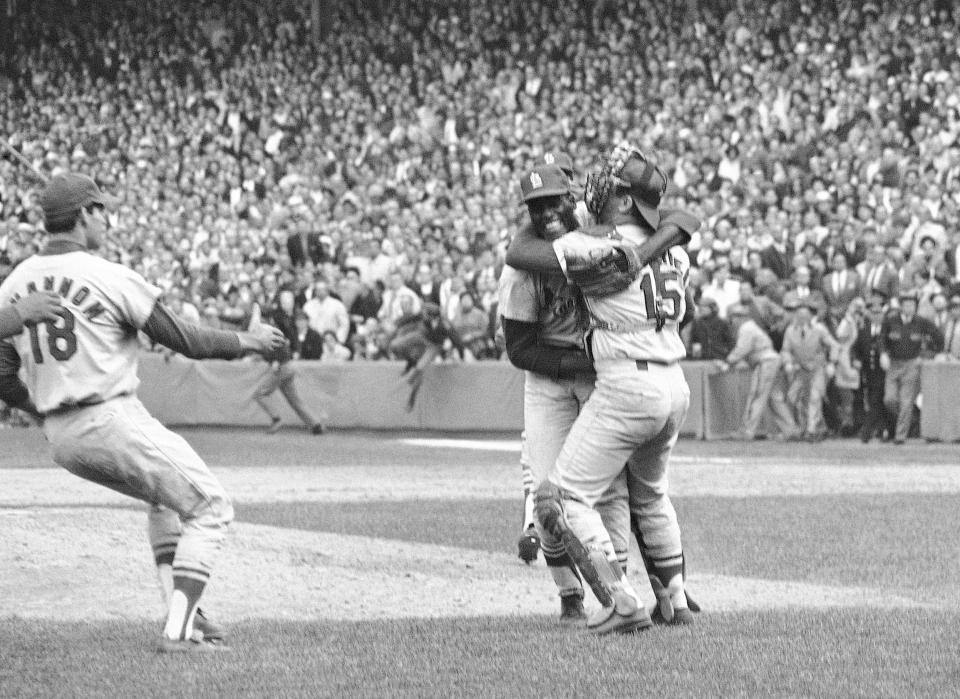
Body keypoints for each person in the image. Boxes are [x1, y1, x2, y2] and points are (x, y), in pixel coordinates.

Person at [0, 173, 287, 652]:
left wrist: (44, 412)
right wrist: (250, 341)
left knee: (165, 501)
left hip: (63, 439)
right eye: (102, 209)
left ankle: (186, 614)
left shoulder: (14, 284)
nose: (107, 219)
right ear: (85, 214)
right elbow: (186, 340)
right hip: (109, 416)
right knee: (212, 507)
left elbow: (3, 377)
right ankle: (179, 633)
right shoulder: (109, 275)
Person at [522, 144, 700, 633]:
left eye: (609, 184)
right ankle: (675, 601)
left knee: (563, 499)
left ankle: (621, 598)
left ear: (624, 201)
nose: (595, 187)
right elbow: (685, 217)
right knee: (651, 497)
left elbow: (521, 252)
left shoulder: (591, 245)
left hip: (627, 381)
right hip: (673, 380)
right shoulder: (675, 248)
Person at [498, 163, 630, 621]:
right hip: (552, 379)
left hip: (600, 377)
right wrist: (580, 362)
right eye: (537, 207)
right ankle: (570, 595)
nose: (547, 212)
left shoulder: (598, 242)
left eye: (555, 201)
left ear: (573, 199)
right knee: (545, 494)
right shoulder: (521, 269)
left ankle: (622, 590)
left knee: (611, 490)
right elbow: (519, 348)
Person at [716, 304, 789, 441]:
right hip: (770, 361)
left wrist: (728, 361)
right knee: (775, 398)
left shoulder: (746, 328)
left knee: (756, 395)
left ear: (738, 317)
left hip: (765, 362)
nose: (731, 321)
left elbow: (742, 349)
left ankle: (747, 431)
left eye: (732, 318)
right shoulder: (750, 327)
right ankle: (790, 429)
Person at [880, 290, 943, 444]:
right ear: (901, 307)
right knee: (890, 399)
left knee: (906, 401)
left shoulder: (921, 322)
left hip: (912, 364)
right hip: (894, 363)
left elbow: (938, 336)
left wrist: (929, 354)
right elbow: (882, 339)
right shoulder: (890, 321)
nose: (910, 308)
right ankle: (909, 419)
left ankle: (900, 436)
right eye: (907, 305)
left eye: (912, 305)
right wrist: (883, 354)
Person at [252, 305, 327, 435]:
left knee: (259, 394)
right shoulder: (276, 328)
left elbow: (279, 347)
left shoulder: (269, 330)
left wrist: (275, 360)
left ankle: (276, 419)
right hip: (287, 366)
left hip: (281, 367)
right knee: (295, 400)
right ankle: (316, 425)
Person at [853, 293, 891, 442]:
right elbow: (856, 348)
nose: (876, 316)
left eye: (879, 312)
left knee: (876, 400)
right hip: (869, 371)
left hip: (884, 372)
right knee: (875, 400)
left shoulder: (887, 329)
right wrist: (856, 359)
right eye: (873, 313)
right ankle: (884, 429)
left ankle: (866, 432)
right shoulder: (864, 330)